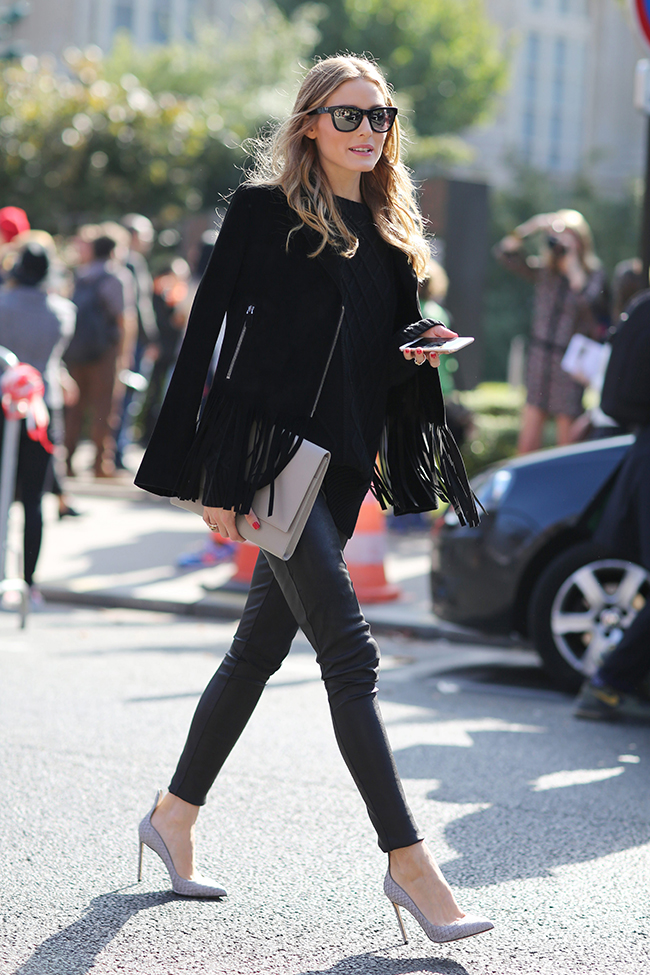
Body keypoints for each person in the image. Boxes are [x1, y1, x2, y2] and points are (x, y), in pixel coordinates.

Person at [134, 55, 492, 945]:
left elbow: (370, 361)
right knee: (351, 654)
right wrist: (208, 478)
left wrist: (415, 354)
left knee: (257, 651)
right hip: (270, 463)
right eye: (348, 115)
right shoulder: (265, 214)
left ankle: (172, 815)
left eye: (381, 116)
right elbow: (208, 343)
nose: (368, 131)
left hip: (340, 470)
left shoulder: (390, 232)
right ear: (309, 124)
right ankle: (409, 863)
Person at [495, 209, 609, 454]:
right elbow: (504, 252)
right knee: (528, 436)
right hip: (540, 357)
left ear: (581, 240)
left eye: (570, 236)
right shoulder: (545, 271)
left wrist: (573, 267)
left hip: (569, 362)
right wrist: (532, 226)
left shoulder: (593, 274)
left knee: (566, 440)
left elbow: (592, 306)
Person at [0, 242, 76, 600]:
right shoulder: (63, 311)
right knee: (33, 500)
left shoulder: (3, 304)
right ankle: (29, 582)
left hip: (5, 405)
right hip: (42, 407)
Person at [64, 231, 128, 477]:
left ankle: (67, 460)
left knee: (74, 407)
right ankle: (100, 463)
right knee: (104, 407)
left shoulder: (81, 274)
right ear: (112, 250)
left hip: (76, 349)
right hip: (103, 351)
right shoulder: (115, 276)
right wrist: (123, 352)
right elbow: (122, 316)